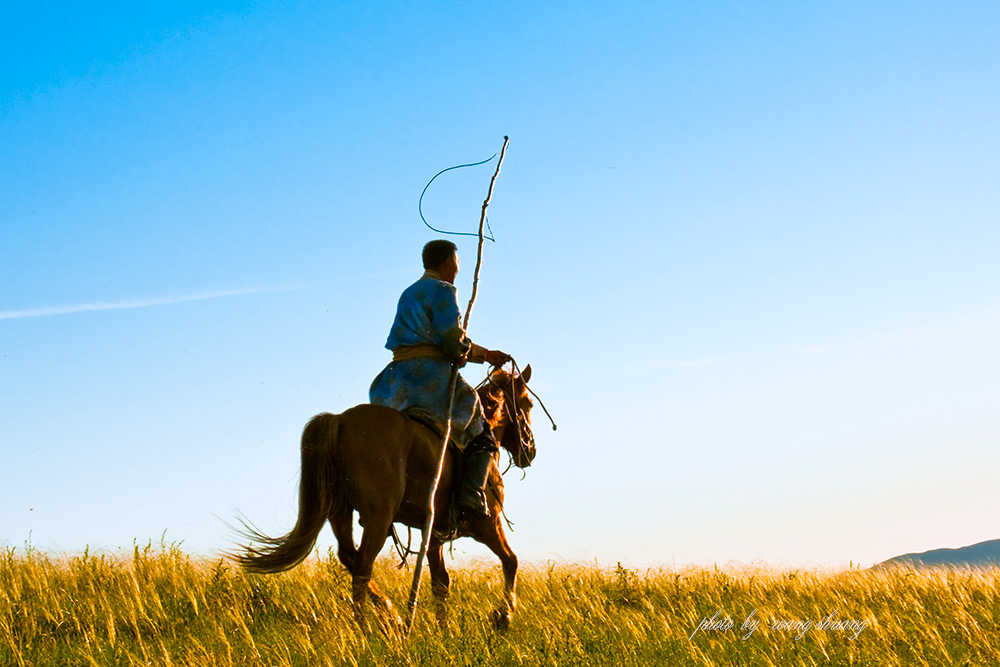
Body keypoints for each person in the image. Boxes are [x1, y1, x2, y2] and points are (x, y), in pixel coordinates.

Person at [369, 239, 510, 518]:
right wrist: (465, 352)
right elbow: (450, 339)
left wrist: (480, 353)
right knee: (483, 433)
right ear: (448, 262)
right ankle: (470, 496)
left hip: (394, 381)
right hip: (428, 379)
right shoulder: (444, 290)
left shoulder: (408, 292)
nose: (458, 268)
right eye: (457, 262)